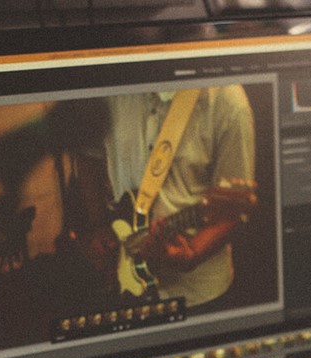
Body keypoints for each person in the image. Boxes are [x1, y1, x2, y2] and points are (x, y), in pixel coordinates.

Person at [102, 87, 256, 309]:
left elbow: (232, 209)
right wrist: (99, 228)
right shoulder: (110, 89)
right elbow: (89, 155)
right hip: (122, 281)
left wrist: (193, 252)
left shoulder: (228, 100)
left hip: (198, 296)